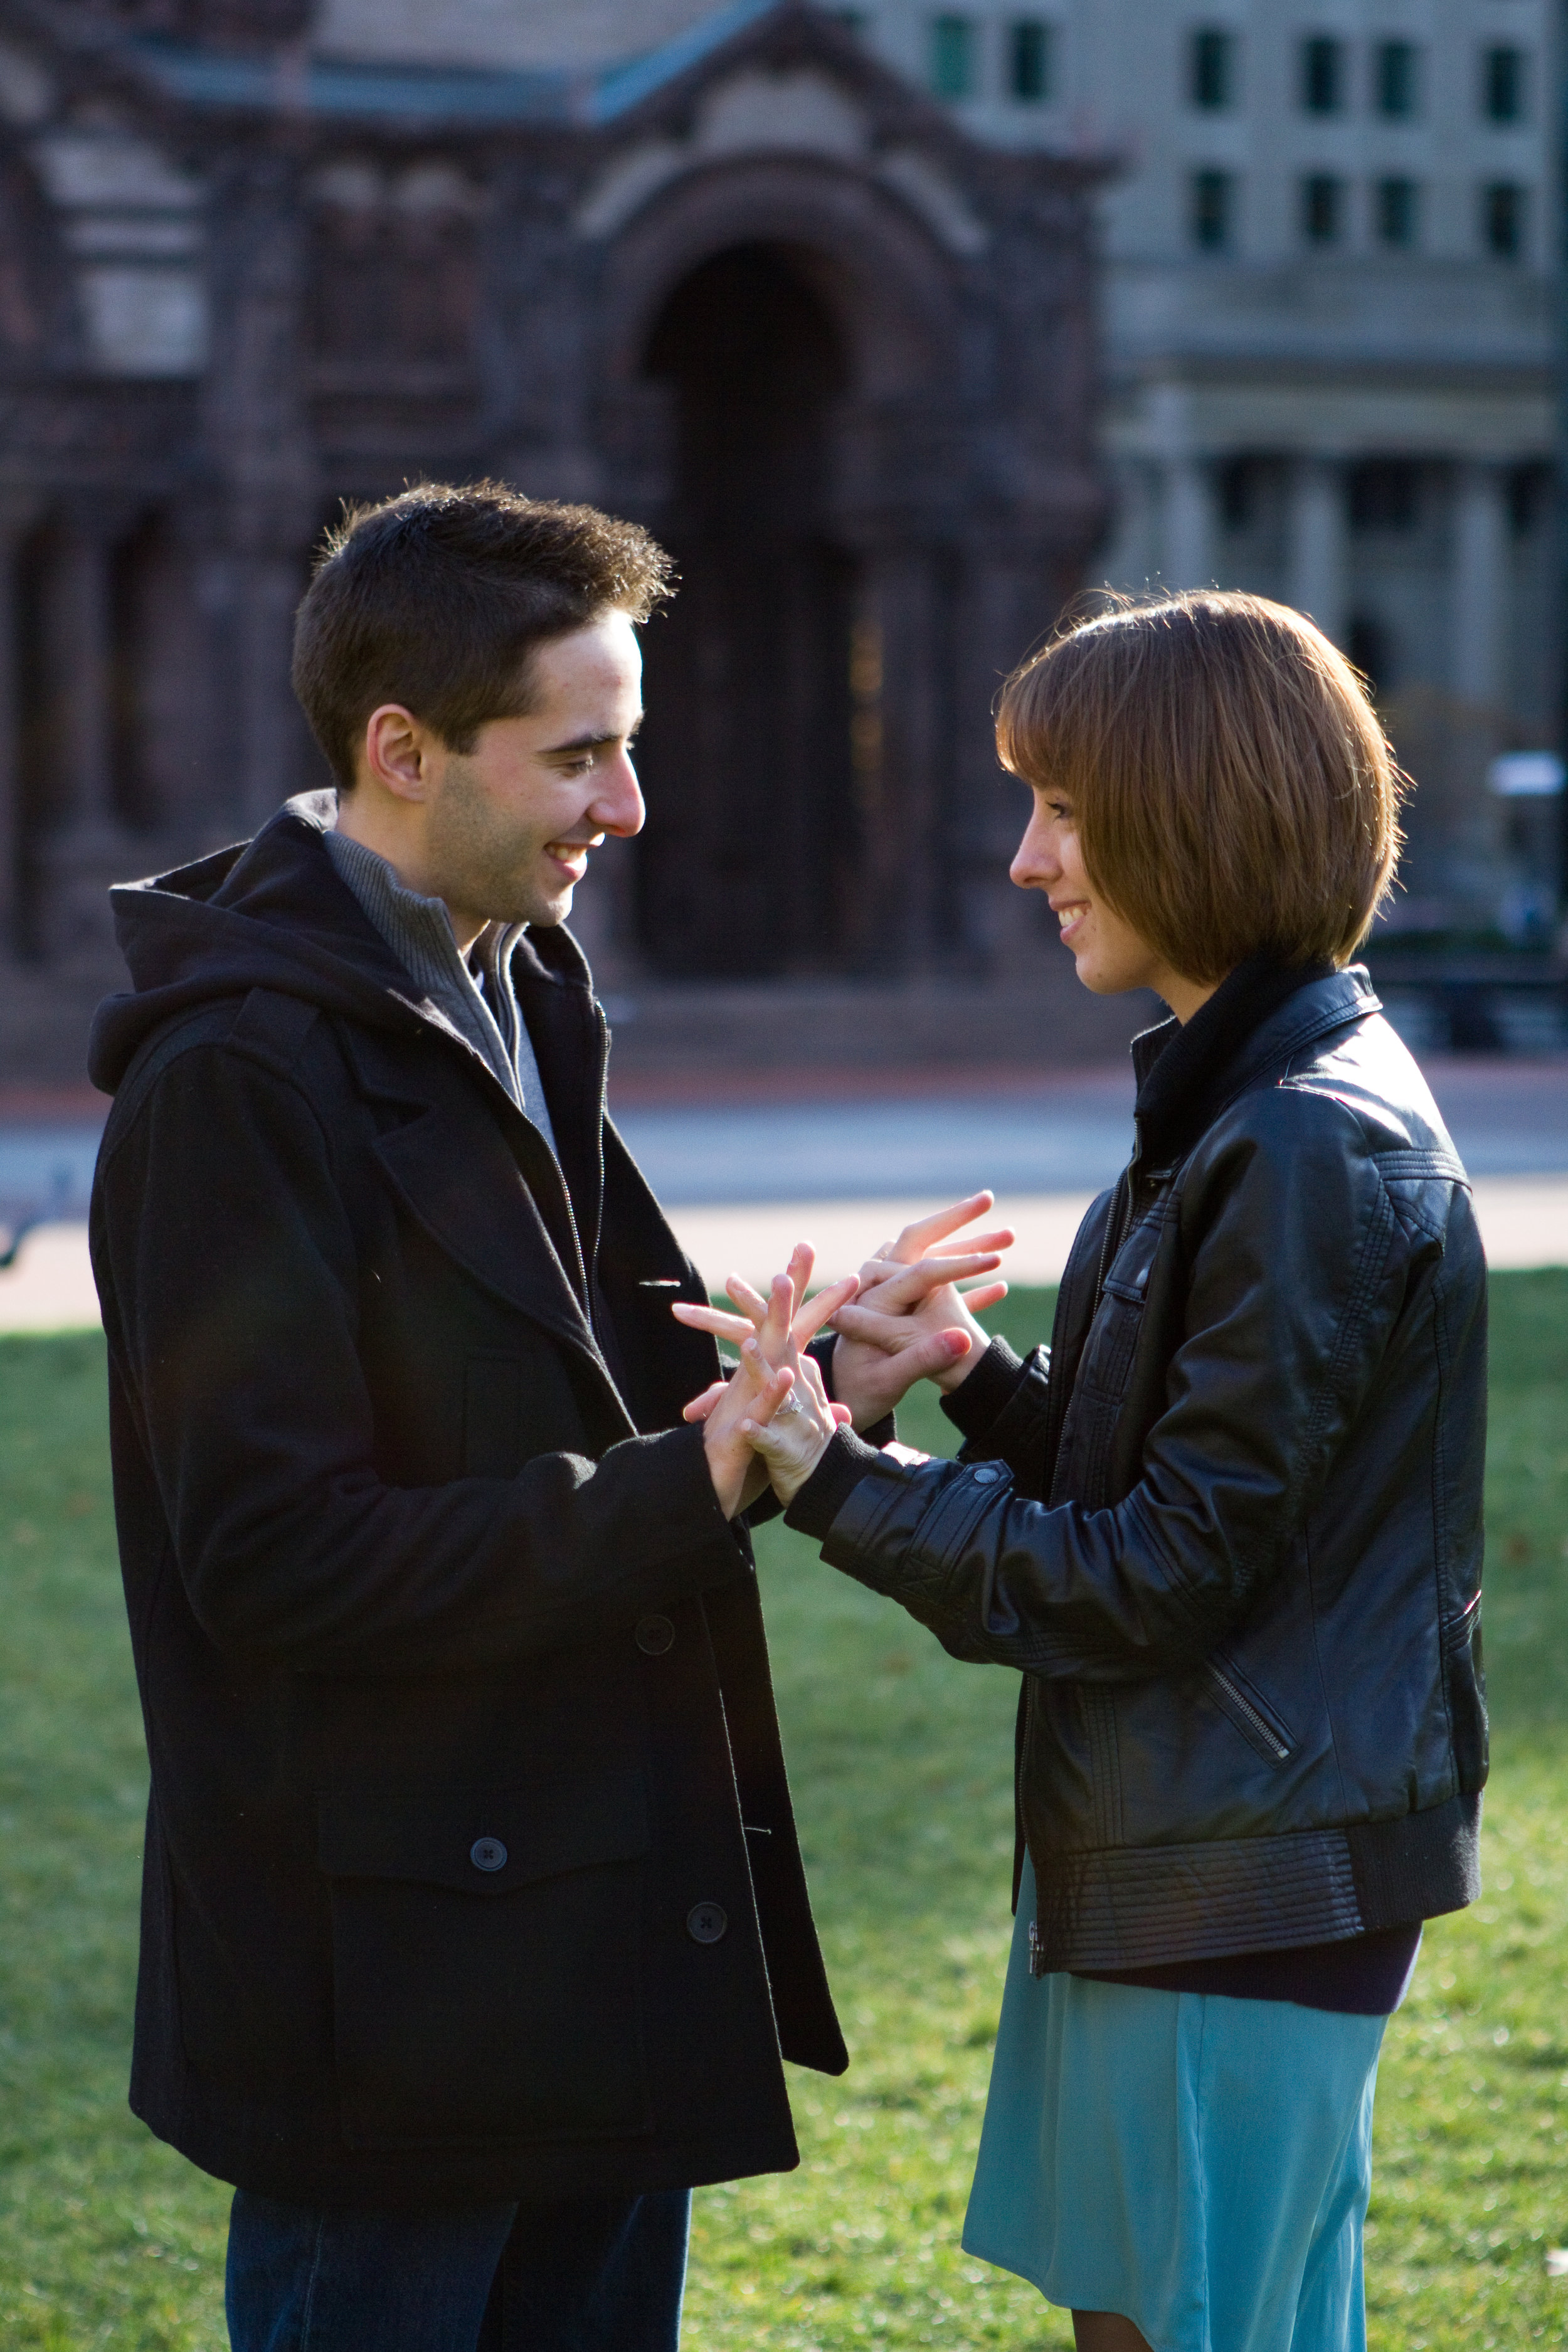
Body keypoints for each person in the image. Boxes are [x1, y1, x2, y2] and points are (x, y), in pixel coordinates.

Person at [85, 481, 1005, 2351]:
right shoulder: (232, 1081)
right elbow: (273, 1561)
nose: (629, 809)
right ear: (400, 750)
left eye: (633, 746)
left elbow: (607, 1397)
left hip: (594, 1917)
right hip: (394, 1988)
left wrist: (825, 1376)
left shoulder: (522, 986)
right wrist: (697, 1476)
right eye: (578, 755)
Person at [686, 591, 1488, 2352]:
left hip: (1243, 1875)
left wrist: (826, 1472)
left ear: (1189, 809)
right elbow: (1208, 1488)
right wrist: (971, 1381)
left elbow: (1154, 1576)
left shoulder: (1300, 1140)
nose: (1024, 859)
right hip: (1180, 1851)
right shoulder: (1238, 1101)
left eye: (1059, 806)